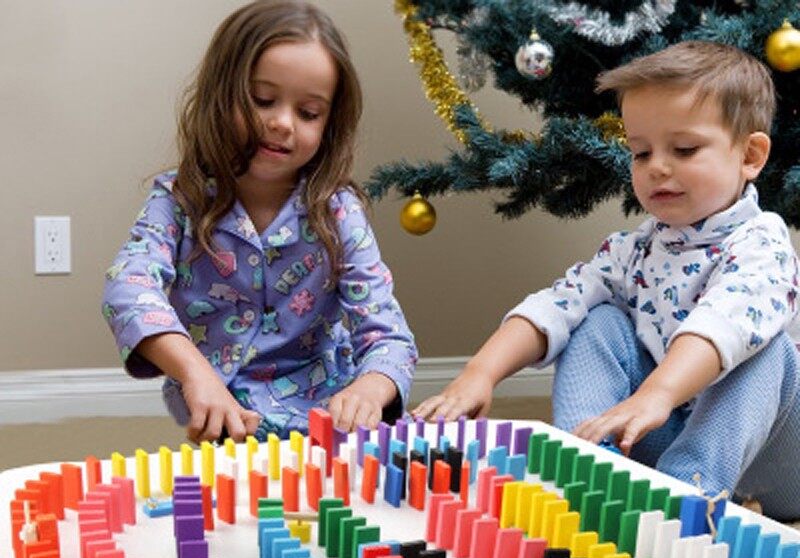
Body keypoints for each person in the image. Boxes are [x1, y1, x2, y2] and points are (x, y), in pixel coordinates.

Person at [414, 41, 800, 520]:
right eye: (640, 152)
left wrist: (658, 392)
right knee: (596, 318)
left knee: (767, 351)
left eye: (684, 149)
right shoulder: (633, 250)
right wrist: (481, 373)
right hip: (659, 426)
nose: (657, 166)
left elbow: (723, 321)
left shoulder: (763, 244)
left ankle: (690, 493)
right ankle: (590, 462)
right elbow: (559, 302)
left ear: (750, 155)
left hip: (772, 461)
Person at [102, 0, 417, 444]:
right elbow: (128, 288)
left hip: (331, 425)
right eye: (262, 100)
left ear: (329, 124)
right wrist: (195, 373)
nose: (282, 123)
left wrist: (370, 387)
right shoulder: (178, 200)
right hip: (227, 424)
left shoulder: (339, 211)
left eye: (309, 113)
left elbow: (389, 335)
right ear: (221, 94)